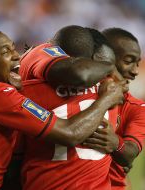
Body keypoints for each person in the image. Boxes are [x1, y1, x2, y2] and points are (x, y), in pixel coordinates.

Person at [0, 30, 125, 190]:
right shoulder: (0, 96)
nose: (16, 57)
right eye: (5, 52)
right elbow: (70, 133)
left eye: (13, 49)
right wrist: (106, 99)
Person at [17, 26, 127, 190]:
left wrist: (116, 143)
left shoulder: (30, 90)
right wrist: (109, 71)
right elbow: (80, 74)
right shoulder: (111, 90)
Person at [84, 27, 145, 190]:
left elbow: (129, 154)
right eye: (128, 61)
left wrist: (116, 144)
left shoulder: (136, 108)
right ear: (105, 57)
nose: (134, 71)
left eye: (137, 63)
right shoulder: (74, 92)